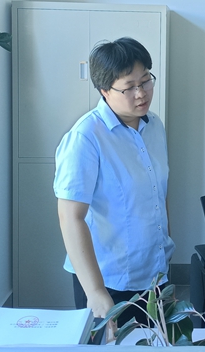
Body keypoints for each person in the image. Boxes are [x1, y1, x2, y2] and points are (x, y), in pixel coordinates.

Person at [53, 37, 174, 331]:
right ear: (104, 90)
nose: (141, 93)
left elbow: (158, 195)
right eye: (129, 87)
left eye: (146, 81)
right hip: (108, 281)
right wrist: (96, 293)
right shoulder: (86, 137)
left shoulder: (154, 126)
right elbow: (70, 217)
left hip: (155, 274)